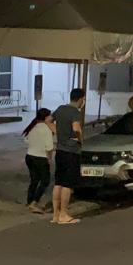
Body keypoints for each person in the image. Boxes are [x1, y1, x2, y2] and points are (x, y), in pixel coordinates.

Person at [51, 88, 86, 225]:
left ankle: (55, 214)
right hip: (71, 151)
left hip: (60, 150)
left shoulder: (60, 109)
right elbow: (76, 128)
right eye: (83, 99)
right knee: (67, 184)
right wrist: (80, 139)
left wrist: (58, 132)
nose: (83, 102)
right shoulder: (75, 112)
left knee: (58, 182)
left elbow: (48, 120)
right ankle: (64, 214)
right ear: (80, 99)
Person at [23, 108, 55, 213]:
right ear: (46, 117)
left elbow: (26, 140)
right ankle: (34, 203)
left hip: (29, 156)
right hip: (41, 158)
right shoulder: (46, 129)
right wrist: (49, 159)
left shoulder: (33, 126)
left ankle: (29, 201)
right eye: (50, 116)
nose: (51, 117)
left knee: (34, 180)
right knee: (45, 181)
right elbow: (49, 147)